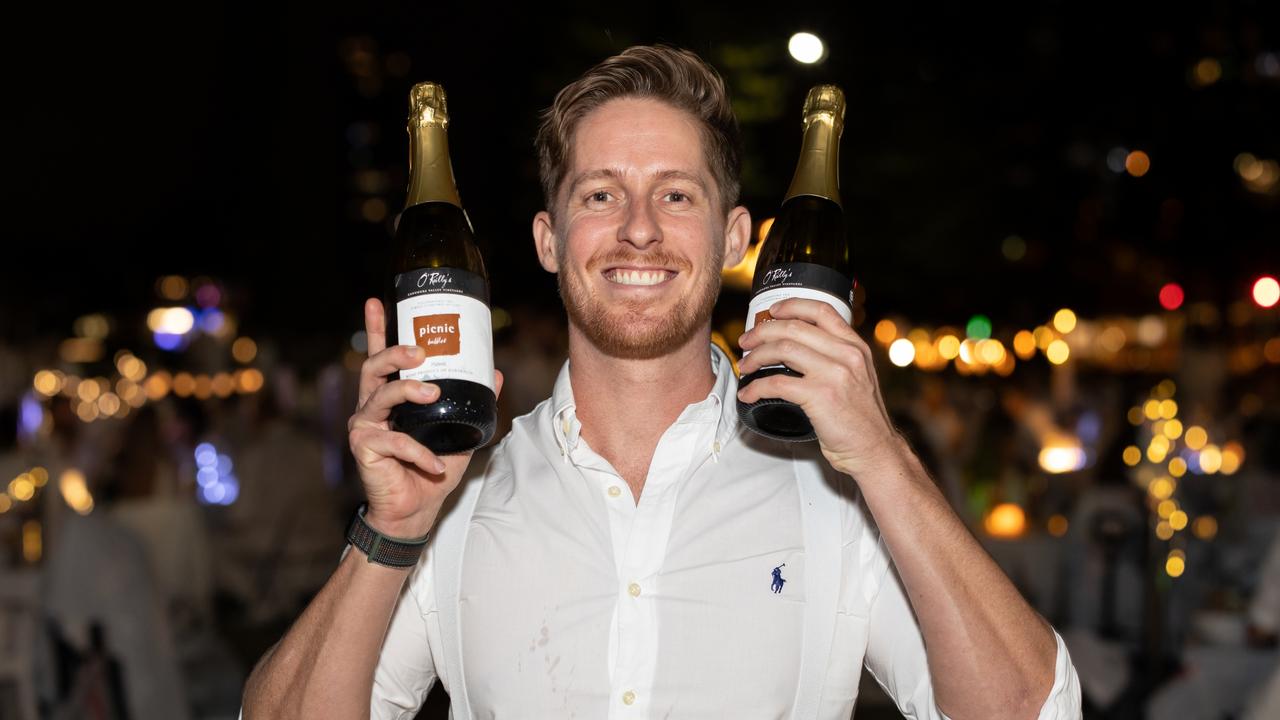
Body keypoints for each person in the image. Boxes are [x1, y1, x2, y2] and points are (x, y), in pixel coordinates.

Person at [242, 45, 1081, 719]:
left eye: (676, 195)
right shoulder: (456, 497)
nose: (638, 230)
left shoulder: (841, 493)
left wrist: (885, 458)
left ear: (733, 237)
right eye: (601, 194)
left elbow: (1032, 711)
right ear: (547, 238)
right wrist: (390, 531)